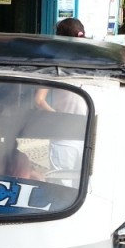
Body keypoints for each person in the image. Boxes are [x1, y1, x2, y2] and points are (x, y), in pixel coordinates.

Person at [35, 18, 88, 174]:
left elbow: (38, 100)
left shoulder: (55, 62)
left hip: (65, 136)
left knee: (62, 189)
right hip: (90, 134)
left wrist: (60, 118)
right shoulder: (94, 60)